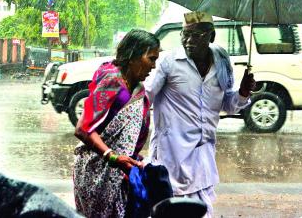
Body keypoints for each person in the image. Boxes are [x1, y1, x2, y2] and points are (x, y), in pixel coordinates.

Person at [145, 12, 256, 218]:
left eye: (196, 35)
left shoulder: (222, 60)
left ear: (211, 36)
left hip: (203, 158)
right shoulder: (169, 62)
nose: (188, 41)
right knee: (170, 211)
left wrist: (242, 93)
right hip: (172, 156)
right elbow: (145, 97)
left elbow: (227, 105)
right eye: (184, 34)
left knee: (201, 212)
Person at [73, 29, 160, 218]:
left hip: (122, 170)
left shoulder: (136, 87)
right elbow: (82, 129)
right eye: (151, 59)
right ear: (133, 56)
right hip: (98, 173)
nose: (153, 66)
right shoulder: (113, 80)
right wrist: (113, 157)